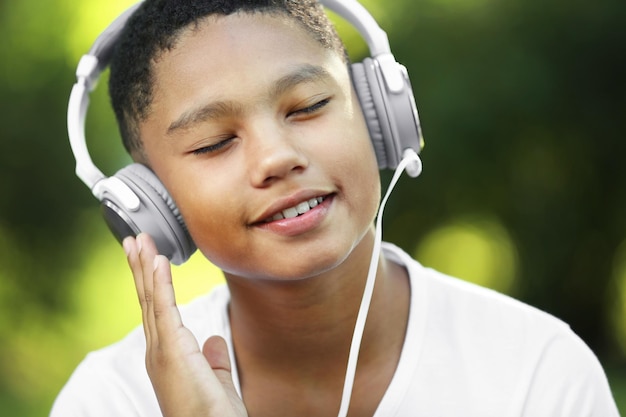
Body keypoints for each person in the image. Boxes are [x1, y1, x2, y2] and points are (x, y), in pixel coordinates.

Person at [52, 0, 620, 416]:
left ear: (380, 118)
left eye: (309, 105)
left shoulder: (539, 375)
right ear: (151, 203)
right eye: (214, 142)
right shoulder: (111, 399)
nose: (277, 157)